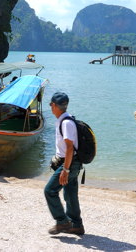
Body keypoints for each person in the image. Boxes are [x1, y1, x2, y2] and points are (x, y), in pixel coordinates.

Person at [44, 92, 84, 236]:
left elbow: (69, 147)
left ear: (54, 105)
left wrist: (65, 170)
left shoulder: (66, 123)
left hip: (69, 164)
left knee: (50, 191)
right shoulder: (66, 119)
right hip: (72, 163)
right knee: (70, 194)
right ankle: (76, 225)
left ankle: (62, 222)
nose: (50, 107)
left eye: (50, 105)